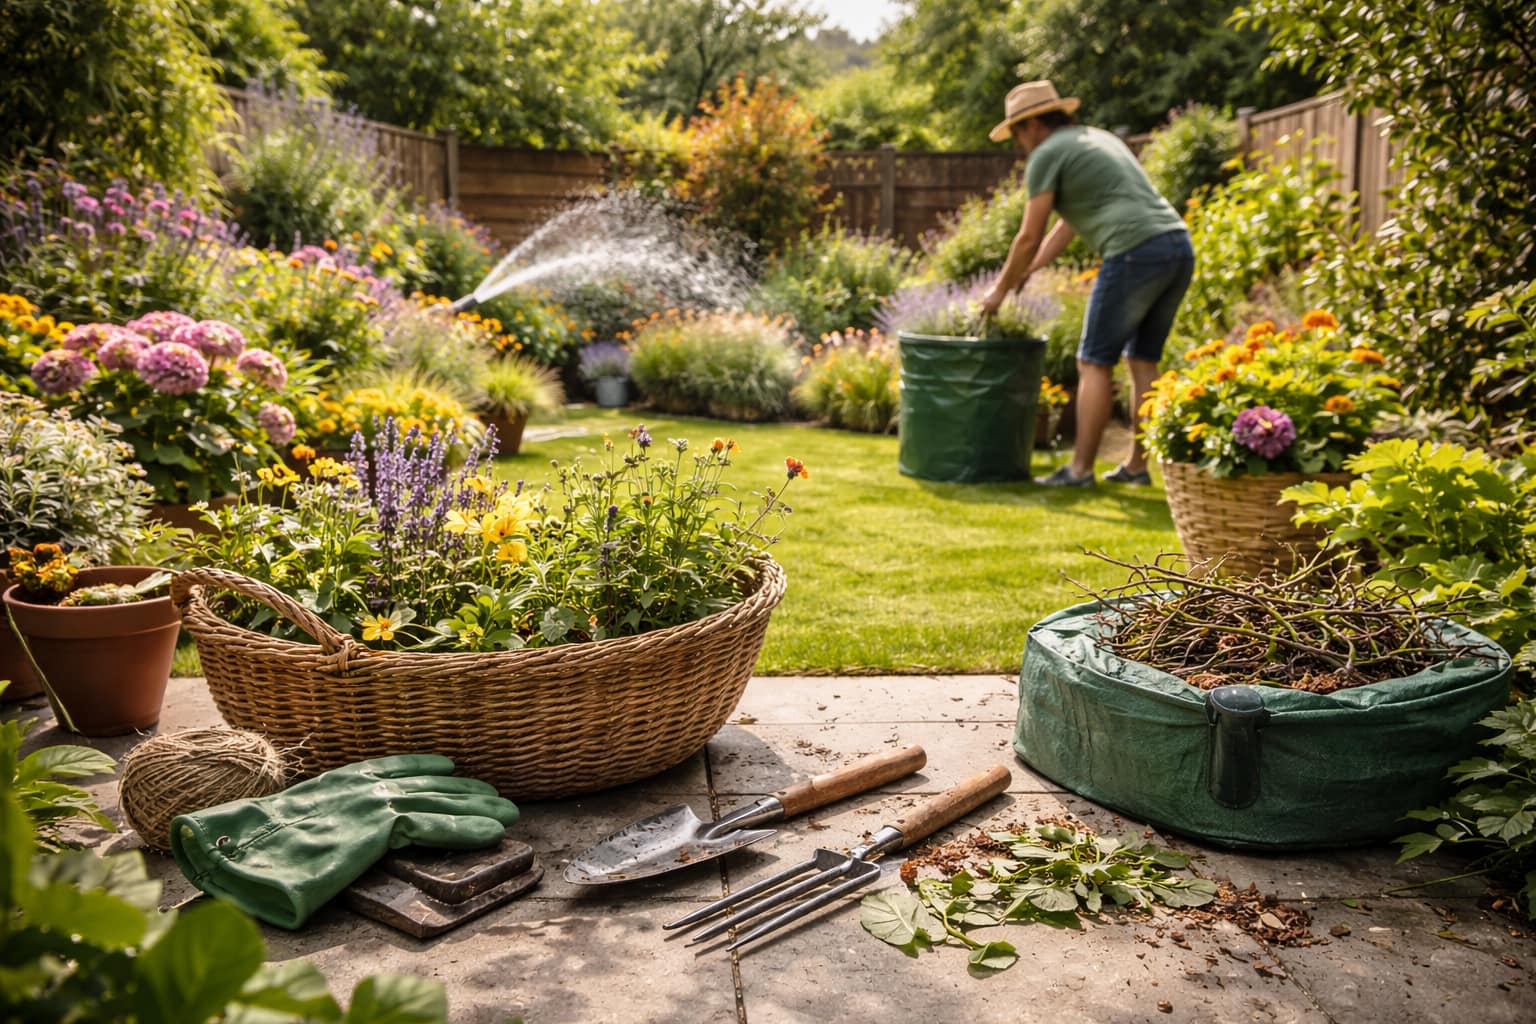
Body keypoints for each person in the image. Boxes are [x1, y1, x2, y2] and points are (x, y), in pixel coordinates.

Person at [979, 81, 1194, 486]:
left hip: (1134, 250)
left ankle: (1079, 471)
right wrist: (1028, 272)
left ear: (1034, 124)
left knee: (1093, 361)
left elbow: (1028, 235)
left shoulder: (1047, 154)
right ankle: (1136, 468)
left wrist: (998, 291)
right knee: (1143, 361)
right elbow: (1066, 227)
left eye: (1019, 133)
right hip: (1176, 245)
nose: (1020, 144)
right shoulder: (1095, 139)